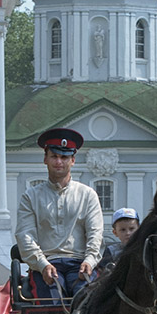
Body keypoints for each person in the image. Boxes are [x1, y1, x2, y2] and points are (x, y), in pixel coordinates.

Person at [16, 128, 104, 299]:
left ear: (73, 160)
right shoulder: (31, 196)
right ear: (45, 159)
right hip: (47, 263)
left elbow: (96, 233)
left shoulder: (87, 195)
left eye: (64, 157)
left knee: (86, 303)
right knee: (52, 304)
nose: (59, 162)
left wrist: (89, 261)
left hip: (80, 263)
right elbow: (25, 235)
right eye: (54, 156)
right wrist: (42, 264)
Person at [96, 207, 140, 273]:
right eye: (123, 230)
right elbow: (103, 272)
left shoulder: (145, 249)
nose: (128, 233)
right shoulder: (111, 251)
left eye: (131, 229)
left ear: (139, 229)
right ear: (115, 233)